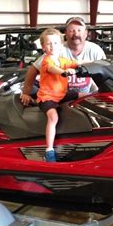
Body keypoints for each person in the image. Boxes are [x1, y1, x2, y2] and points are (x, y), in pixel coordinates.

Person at [20, 16, 106, 106]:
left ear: (85, 33)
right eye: (71, 30)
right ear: (65, 33)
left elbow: (105, 70)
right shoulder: (56, 50)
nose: (75, 34)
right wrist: (26, 93)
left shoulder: (95, 50)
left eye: (79, 30)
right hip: (61, 98)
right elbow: (33, 69)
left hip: (84, 97)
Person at [37, 28, 78, 162]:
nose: (52, 46)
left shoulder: (63, 60)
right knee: (53, 117)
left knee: (84, 95)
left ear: (61, 45)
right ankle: (49, 150)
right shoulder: (46, 61)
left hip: (61, 94)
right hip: (47, 97)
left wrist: (98, 63)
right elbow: (52, 69)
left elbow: (77, 63)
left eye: (55, 43)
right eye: (48, 43)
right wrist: (64, 72)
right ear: (43, 47)